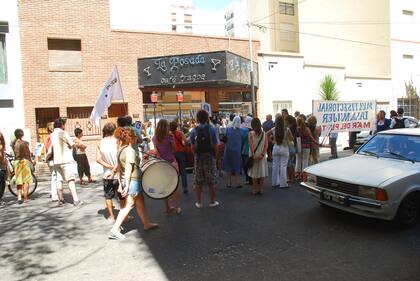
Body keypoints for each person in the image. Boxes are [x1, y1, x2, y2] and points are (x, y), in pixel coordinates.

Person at [109, 127, 158, 240]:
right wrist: (126, 185)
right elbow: (127, 168)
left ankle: (146, 224)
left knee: (140, 202)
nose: (137, 139)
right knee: (129, 205)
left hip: (131, 180)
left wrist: (122, 184)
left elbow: (119, 169)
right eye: (135, 137)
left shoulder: (121, 149)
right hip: (133, 180)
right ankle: (115, 229)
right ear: (131, 138)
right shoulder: (130, 151)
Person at [48, 118, 83, 206]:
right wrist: (71, 146)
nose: (65, 126)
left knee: (59, 180)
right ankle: (75, 200)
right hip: (66, 160)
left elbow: (51, 148)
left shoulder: (52, 135)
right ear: (62, 125)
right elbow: (72, 144)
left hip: (57, 161)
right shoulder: (63, 133)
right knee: (70, 179)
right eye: (64, 124)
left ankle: (61, 199)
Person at [96, 123, 126, 223]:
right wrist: (114, 167)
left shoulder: (100, 142)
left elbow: (98, 159)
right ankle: (124, 217)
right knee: (122, 196)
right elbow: (121, 157)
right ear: (114, 130)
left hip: (107, 174)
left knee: (108, 196)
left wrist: (109, 167)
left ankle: (112, 217)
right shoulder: (118, 142)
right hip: (119, 174)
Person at [189, 110, 219, 208]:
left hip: (198, 157)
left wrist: (195, 155)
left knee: (198, 181)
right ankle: (212, 201)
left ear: (197, 118)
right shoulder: (212, 129)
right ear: (207, 118)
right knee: (211, 180)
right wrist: (216, 156)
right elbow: (216, 145)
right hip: (209, 157)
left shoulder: (194, 130)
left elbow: (192, 146)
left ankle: (199, 202)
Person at [153, 119, 181, 214]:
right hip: (171, 162)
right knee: (174, 186)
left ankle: (167, 207)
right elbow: (175, 150)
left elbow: (157, 151)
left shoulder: (154, 138)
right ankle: (177, 208)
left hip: (161, 164)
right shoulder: (169, 137)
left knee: (164, 187)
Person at [269, 116, 293, 188]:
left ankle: (274, 182)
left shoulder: (273, 129)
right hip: (284, 148)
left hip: (276, 147)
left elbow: (266, 135)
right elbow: (291, 138)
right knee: (283, 166)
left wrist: (272, 141)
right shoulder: (287, 129)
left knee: (275, 165)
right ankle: (283, 184)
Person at [248, 118, 268, 195]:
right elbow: (266, 145)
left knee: (254, 173)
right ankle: (261, 189)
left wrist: (253, 155)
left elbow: (251, 145)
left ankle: (254, 189)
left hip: (254, 156)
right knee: (262, 172)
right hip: (262, 156)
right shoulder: (264, 133)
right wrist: (263, 154)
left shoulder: (250, 133)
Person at [12, 129, 33, 204]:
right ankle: (25, 199)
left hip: (17, 162)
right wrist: (31, 161)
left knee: (19, 181)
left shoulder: (13, 144)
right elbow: (28, 154)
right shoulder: (24, 143)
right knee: (26, 181)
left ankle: (19, 197)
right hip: (24, 162)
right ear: (22, 135)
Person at [222, 116, 243, 189]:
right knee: (237, 166)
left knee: (228, 167)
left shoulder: (228, 129)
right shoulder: (241, 131)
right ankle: (238, 183)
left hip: (228, 150)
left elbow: (224, 138)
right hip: (237, 151)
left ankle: (229, 183)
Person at [170, 121, 189, 194]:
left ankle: (173, 188)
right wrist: (184, 145)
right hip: (181, 153)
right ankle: (185, 188)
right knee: (183, 171)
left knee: (173, 171)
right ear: (176, 126)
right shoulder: (180, 133)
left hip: (173, 154)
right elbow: (186, 141)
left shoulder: (169, 134)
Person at [43, 122, 58, 202]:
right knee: (56, 177)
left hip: (50, 160)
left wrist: (46, 159)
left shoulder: (46, 138)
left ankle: (55, 193)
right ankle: (55, 195)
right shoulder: (55, 136)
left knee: (54, 177)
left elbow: (45, 149)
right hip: (56, 159)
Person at [285, 115, 298, 183]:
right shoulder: (295, 127)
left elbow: (291, 138)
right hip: (293, 147)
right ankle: (293, 177)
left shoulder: (288, 128)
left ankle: (290, 178)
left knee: (289, 164)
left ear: (288, 121)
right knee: (292, 163)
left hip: (289, 146)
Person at [241, 116, 252, 185]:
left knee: (245, 165)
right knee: (252, 165)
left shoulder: (244, 130)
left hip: (245, 149)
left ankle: (248, 178)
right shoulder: (255, 130)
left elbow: (242, 139)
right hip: (253, 149)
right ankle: (252, 178)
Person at [0, 131, 7, 202]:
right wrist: (3, 162)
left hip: (2, 167)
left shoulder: (2, 146)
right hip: (1, 167)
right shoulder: (0, 146)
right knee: (2, 184)